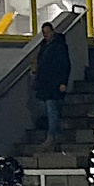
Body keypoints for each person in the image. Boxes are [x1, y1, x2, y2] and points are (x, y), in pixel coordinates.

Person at [34, 21, 71, 150]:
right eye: (44, 33)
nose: (46, 35)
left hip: (54, 82)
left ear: (52, 32)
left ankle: (52, 135)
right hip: (46, 83)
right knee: (50, 108)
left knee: (51, 108)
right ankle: (57, 130)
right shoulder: (45, 46)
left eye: (47, 32)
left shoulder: (58, 46)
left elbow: (65, 64)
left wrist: (63, 82)